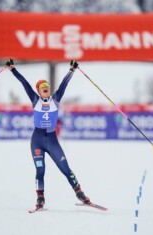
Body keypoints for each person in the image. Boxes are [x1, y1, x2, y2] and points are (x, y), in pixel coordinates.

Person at [6, 59, 90, 210]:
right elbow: (24, 82)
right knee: (40, 170)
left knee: (65, 168)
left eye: (47, 86)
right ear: (38, 90)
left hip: (52, 140)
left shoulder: (55, 99)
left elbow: (64, 84)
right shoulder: (35, 99)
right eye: (43, 87)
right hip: (37, 140)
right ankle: (40, 199)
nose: (46, 88)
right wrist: (13, 69)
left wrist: (72, 70)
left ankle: (80, 194)